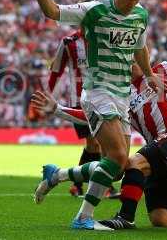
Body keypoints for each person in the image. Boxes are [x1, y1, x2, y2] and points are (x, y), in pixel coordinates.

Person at [31, 61, 167, 229]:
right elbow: (93, 114)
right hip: (159, 149)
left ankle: (125, 218)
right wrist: (58, 110)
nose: (128, 65)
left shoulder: (163, 70)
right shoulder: (123, 96)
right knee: (161, 219)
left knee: (131, 163)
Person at [26, 0, 162, 230]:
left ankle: (58, 175)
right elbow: (52, 11)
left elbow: (140, 47)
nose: (130, 5)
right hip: (98, 91)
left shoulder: (140, 15)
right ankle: (83, 217)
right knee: (118, 158)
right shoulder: (94, 10)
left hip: (122, 95)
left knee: (118, 166)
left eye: (135, 0)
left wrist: (149, 74)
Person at [47, 29, 119, 198]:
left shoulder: (104, 37)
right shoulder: (69, 42)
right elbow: (56, 69)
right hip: (79, 101)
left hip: (102, 98)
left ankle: (77, 185)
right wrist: (48, 94)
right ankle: (104, 185)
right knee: (97, 144)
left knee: (93, 145)